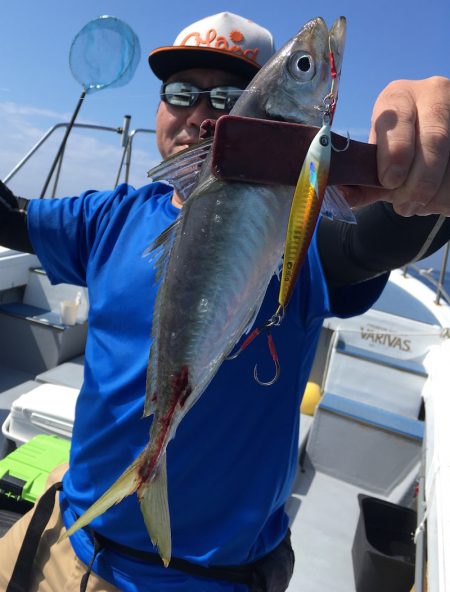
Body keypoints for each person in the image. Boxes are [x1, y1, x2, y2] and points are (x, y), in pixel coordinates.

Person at [0, 10, 449, 592]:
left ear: (256, 115)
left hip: (215, 581)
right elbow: (11, 220)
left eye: (228, 95)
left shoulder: (306, 230)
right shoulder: (110, 216)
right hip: (65, 540)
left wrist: (425, 171)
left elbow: (378, 238)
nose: (201, 113)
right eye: (181, 91)